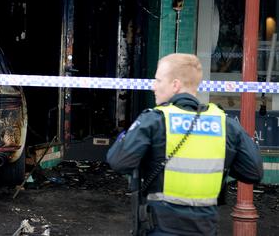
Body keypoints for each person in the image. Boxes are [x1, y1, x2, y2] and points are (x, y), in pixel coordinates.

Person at [106, 53, 263, 235]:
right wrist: (222, 162)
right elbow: (253, 172)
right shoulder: (225, 123)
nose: (153, 86)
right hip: (205, 228)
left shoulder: (154, 120)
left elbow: (118, 161)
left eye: (158, 80)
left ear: (175, 85)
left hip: (161, 227)